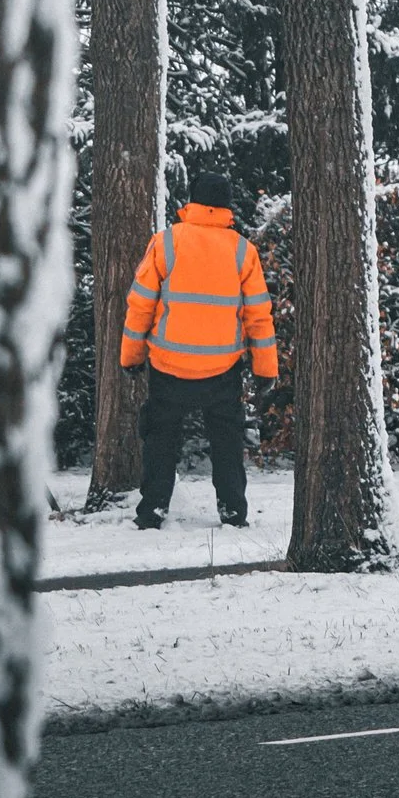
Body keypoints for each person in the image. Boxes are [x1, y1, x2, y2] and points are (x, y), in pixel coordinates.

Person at [121, 170, 278, 529]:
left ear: (191, 201)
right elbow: (258, 315)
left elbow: (141, 304)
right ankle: (233, 511)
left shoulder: (166, 243)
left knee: (161, 438)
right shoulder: (243, 250)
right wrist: (265, 368)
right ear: (226, 207)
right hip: (222, 369)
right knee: (226, 441)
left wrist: (131, 356)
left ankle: (153, 510)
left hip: (168, 364)